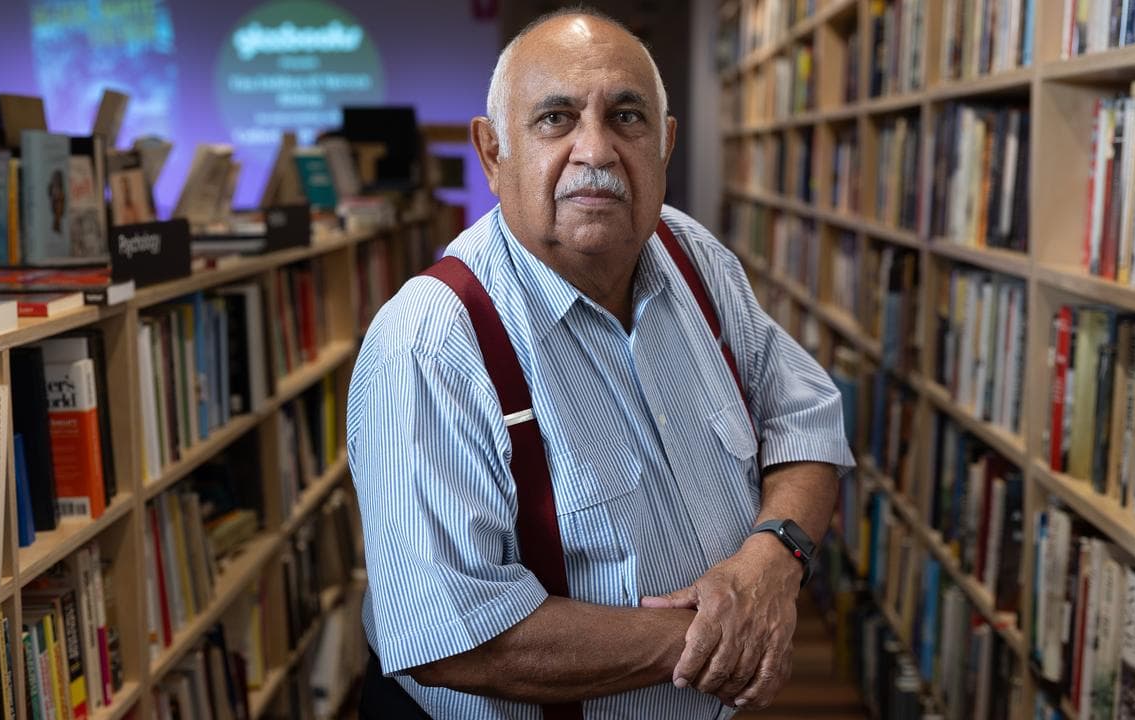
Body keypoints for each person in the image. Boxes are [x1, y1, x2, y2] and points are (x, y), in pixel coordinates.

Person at [345, 8, 854, 719]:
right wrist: (720, 636)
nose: (596, 151)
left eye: (626, 117)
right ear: (492, 153)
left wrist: (773, 560)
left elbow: (806, 419)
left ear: (664, 144)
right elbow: (451, 637)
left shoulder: (692, 255)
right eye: (555, 119)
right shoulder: (428, 343)